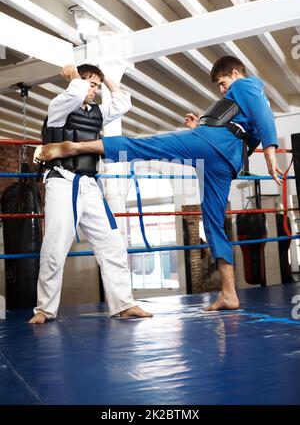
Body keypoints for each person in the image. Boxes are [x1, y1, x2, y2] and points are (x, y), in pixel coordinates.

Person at [35, 56, 283, 311]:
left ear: (234, 71)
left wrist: (270, 151)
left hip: (211, 145)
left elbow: (264, 117)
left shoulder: (245, 84)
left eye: (222, 82)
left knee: (145, 146)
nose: (222, 90)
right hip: (225, 161)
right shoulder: (62, 107)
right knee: (212, 223)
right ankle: (229, 293)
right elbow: (241, 127)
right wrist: (200, 125)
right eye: (220, 86)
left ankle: (75, 147)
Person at [29, 63, 152, 323]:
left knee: (113, 243)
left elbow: (122, 103)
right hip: (61, 181)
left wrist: (105, 78)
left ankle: (123, 304)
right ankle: (44, 309)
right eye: (91, 84)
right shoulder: (59, 107)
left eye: (96, 86)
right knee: (55, 246)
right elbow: (74, 93)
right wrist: (74, 75)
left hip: (89, 184)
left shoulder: (96, 113)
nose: (94, 90)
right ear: (78, 82)